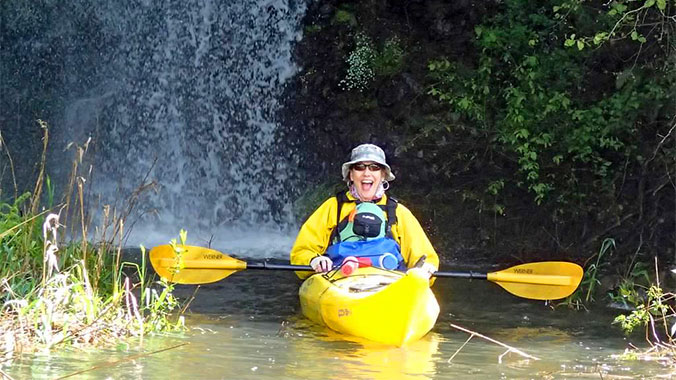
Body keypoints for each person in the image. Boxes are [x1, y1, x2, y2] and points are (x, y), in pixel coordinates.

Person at [290, 143, 439, 279]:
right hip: (339, 281)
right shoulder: (333, 207)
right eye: (360, 167)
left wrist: (424, 271)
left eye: (374, 167)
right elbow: (302, 252)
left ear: (383, 175)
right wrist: (314, 260)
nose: (367, 173)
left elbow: (426, 258)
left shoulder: (398, 212)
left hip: (387, 286)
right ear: (351, 174)